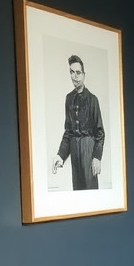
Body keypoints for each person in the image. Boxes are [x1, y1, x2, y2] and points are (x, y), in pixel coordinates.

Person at [52, 54, 104, 190]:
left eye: (78, 72)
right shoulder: (69, 99)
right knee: (77, 190)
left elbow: (100, 132)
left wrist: (97, 157)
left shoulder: (92, 100)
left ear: (84, 75)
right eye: (71, 72)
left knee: (90, 190)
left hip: (88, 149)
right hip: (74, 150)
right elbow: (68, 132)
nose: (74, 76)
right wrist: (60, 155)